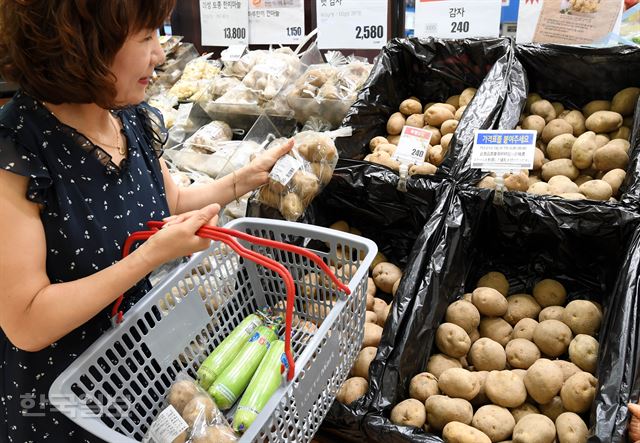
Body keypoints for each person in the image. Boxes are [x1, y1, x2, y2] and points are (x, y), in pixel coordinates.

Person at [0, 1, 292, 441]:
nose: (160, 54)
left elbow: (169, 197)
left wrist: (241, 181)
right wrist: (149, 257)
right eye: (146, 37)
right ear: (82, 44)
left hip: (134, 364)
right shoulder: (18, 147)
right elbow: (25, 321)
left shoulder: (124, 114)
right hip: (61, 397)